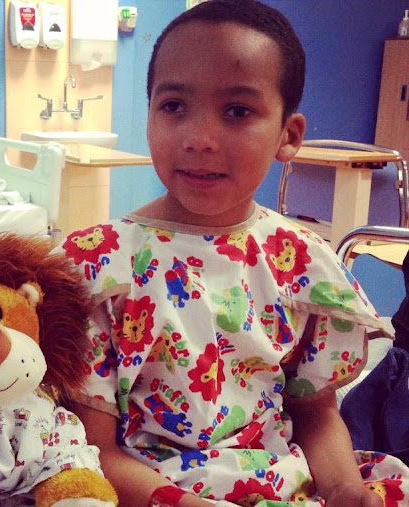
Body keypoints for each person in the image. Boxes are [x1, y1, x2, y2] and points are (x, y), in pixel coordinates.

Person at [58, 1, 409, 506]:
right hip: (148, 492)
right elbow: (91, 448)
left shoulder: (301, 263)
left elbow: (315, 415)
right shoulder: (97, 265)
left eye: (238, 111)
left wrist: (343, 489)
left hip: (284, 485)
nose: (200, 140)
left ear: (288, 136)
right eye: (174, 106)